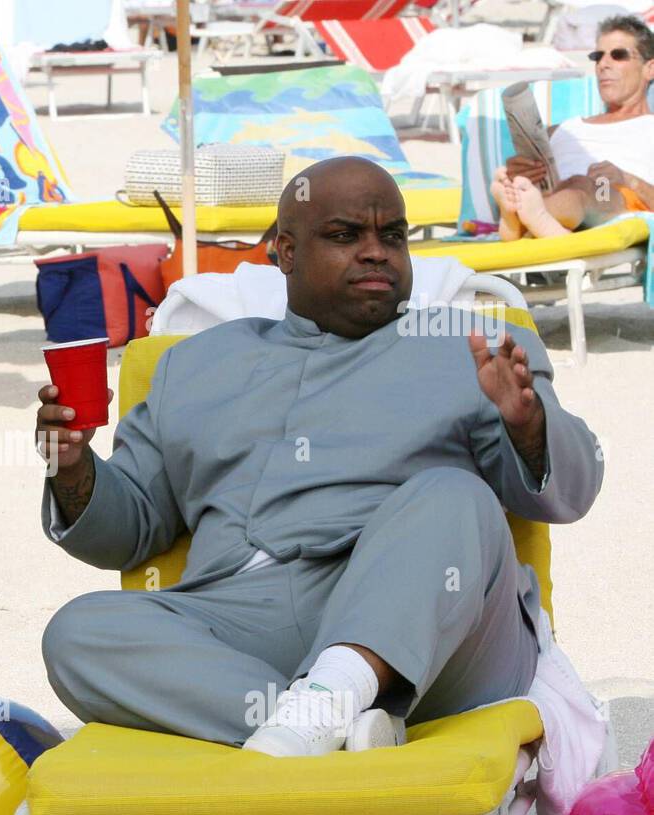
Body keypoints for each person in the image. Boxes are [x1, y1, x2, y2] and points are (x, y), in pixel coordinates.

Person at [36, 157, 603, 758]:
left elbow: (569, 492)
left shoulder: (470, 346)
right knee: (77, 633)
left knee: (452, 495)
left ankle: (326, 705)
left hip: (432, 627)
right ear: (284, 251)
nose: (375, 252)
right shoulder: (196, 365)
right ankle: (325, 719)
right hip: (243, 620)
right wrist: (73, 471)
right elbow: (130, 531)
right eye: (344, 236)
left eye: (392, 236)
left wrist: (529, 426)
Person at [493, 15, 654, 241]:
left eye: (618, 55)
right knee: (521, 184)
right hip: (552, 193)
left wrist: (627, 179)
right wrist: (519, 172)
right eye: (598, 57)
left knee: (585, 185)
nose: (603, 64)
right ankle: (533, 217)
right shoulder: (564, 128)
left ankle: (517, 221)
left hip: (611, 195)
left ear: (650, 68)